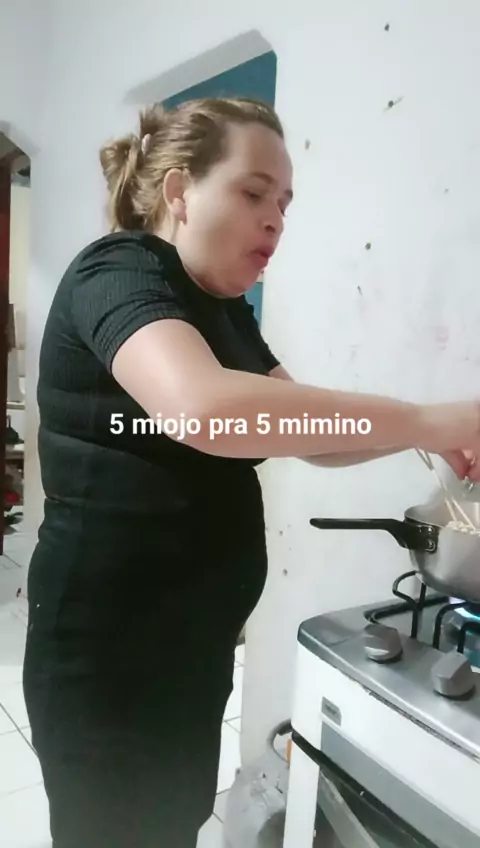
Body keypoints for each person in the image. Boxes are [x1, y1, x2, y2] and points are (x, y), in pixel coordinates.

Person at [22, 95, 480, 848]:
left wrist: (419, 435)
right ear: (179, 191)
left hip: (189, 649)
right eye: (253, 193)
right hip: (109, 657)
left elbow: (309, 434)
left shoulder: (224, 309)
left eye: (285, 203)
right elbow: (204, 410)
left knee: (170, 824)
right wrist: (433, 419)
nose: (276, 220)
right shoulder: (120, 270)